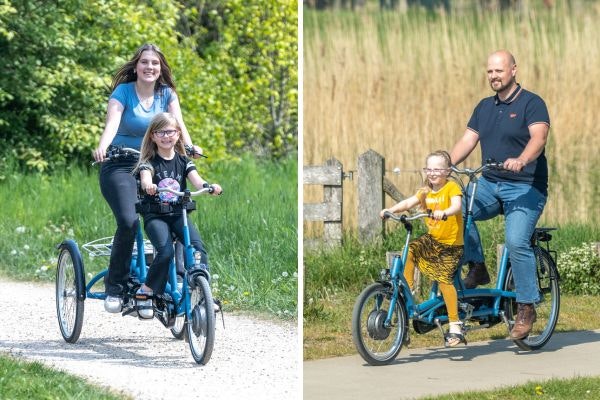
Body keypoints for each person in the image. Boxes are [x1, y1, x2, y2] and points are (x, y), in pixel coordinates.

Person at [93, 43, 202, 313]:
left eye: (154, 63)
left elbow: (178, 123)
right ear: (136, 66)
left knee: (173, 215)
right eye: (144, 62)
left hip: (156, 163)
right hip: (120, 162)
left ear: (160, 67)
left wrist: (189, 146)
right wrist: (103, 146)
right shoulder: (123, 92)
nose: (149, 67)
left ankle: (166, 283)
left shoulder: (167, 94)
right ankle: (116, 287)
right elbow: (113, 123)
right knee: (129, 221)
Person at [450, 49, 550, 340]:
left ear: (513, 70)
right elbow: (468, 140)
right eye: (489, 72)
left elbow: (539, 138)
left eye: (499, 71)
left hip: (526, 186)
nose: (493, 76)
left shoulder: (532, 103)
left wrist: (521, 159)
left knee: (516, 241)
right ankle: (478, 266)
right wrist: (444, 165)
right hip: (490, 184)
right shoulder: (484, 107)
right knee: (457, 206)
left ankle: (526, 305)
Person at [133, 112, 222, 319]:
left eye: (171, 131)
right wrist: (148, 185)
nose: (166, 136)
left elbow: (197, 180)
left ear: (178, 134)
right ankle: (146, 290)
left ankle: (202, 294)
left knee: (198, 249)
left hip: (178, 215)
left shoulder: (183, 161)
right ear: (153, 136)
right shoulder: (149, 161)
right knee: (165, 253)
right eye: (161, 132)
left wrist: (209, 187)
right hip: (155, 215)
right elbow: (145, 176)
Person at [380, 150, 465, 347]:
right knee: (410, 250)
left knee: (444, 279)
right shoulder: (425, 191)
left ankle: (455, 324)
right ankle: (408, 292)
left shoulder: (451, 188)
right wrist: (390, 210)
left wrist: (444, 212)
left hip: (450, 244)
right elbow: (409, 202)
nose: (433, 173)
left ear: (447, 171)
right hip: (433, 240)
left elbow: (457, 206)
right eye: (429, 169)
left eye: (437, 169)